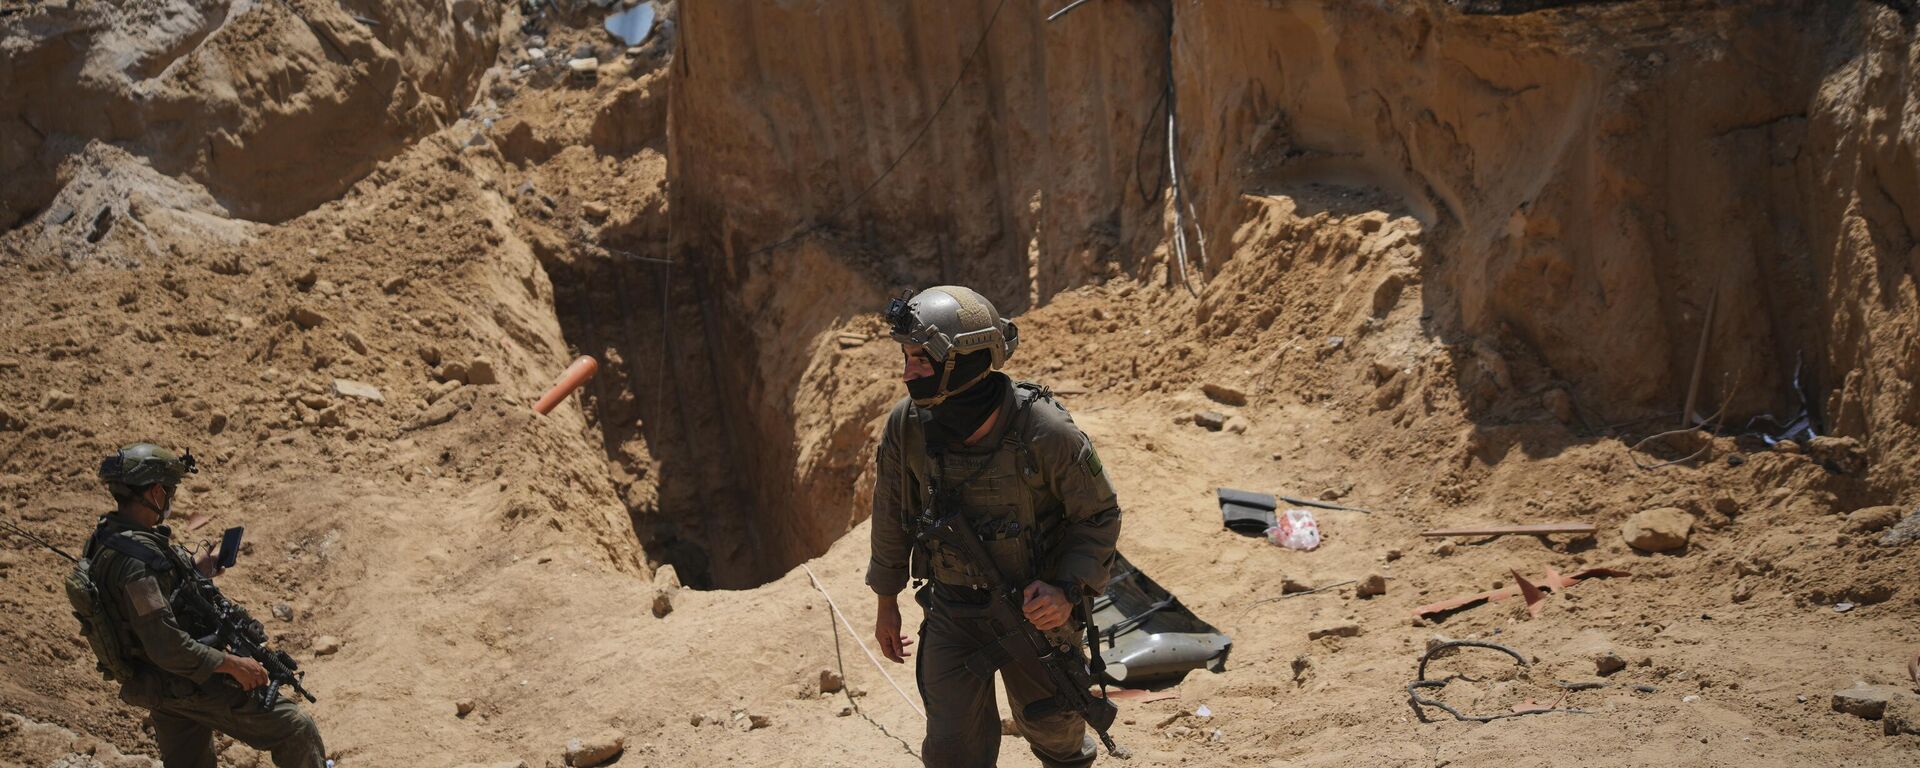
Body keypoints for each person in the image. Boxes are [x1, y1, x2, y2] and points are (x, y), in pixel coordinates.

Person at [867, 286, 1122, 768]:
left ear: (962, 360)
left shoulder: (1045, 431)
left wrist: (1066, 590)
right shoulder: (908, 426)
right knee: (951, 747)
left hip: (1036, 617)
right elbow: (891, 516)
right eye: (906, 358)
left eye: (920, 360)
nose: (907, 374)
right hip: (952, 610)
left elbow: (1100, 515)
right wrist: (887, 602)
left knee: (1054, 728)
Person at [82, 442, 328, 768]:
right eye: (170, 492)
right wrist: (234, 665)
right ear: (156, 494)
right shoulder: (134, 566)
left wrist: (198, 572)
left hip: (160, 683)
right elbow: (167, 647)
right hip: (181, 680)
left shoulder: (112, 536)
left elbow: (152, 604)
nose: (171, 500)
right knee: (295, 728)